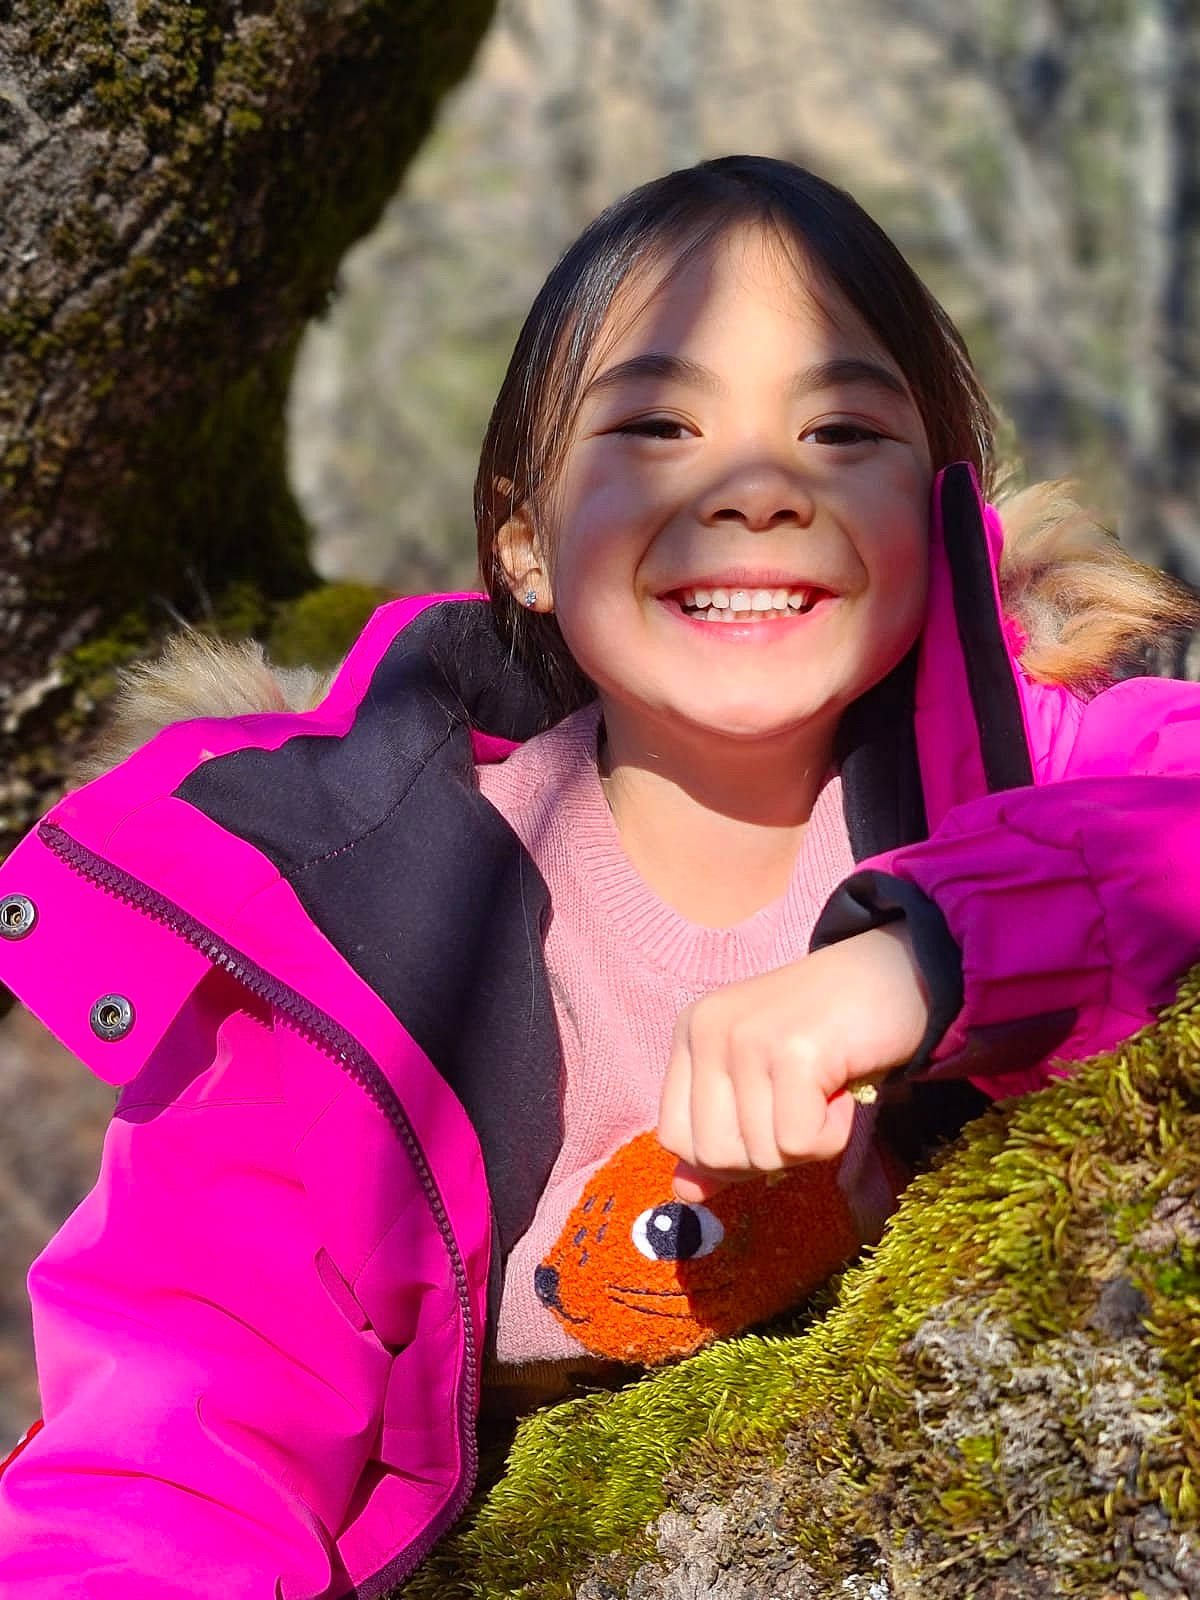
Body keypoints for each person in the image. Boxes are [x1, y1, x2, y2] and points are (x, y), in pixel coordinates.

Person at [0, 154, 1198, 1596]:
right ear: (522, 535)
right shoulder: (357, 917)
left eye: (839, 429)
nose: (757, 487)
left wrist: (929, 952)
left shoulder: (1041, 760)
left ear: (939, 509)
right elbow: (189, 1415)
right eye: (657, 425)